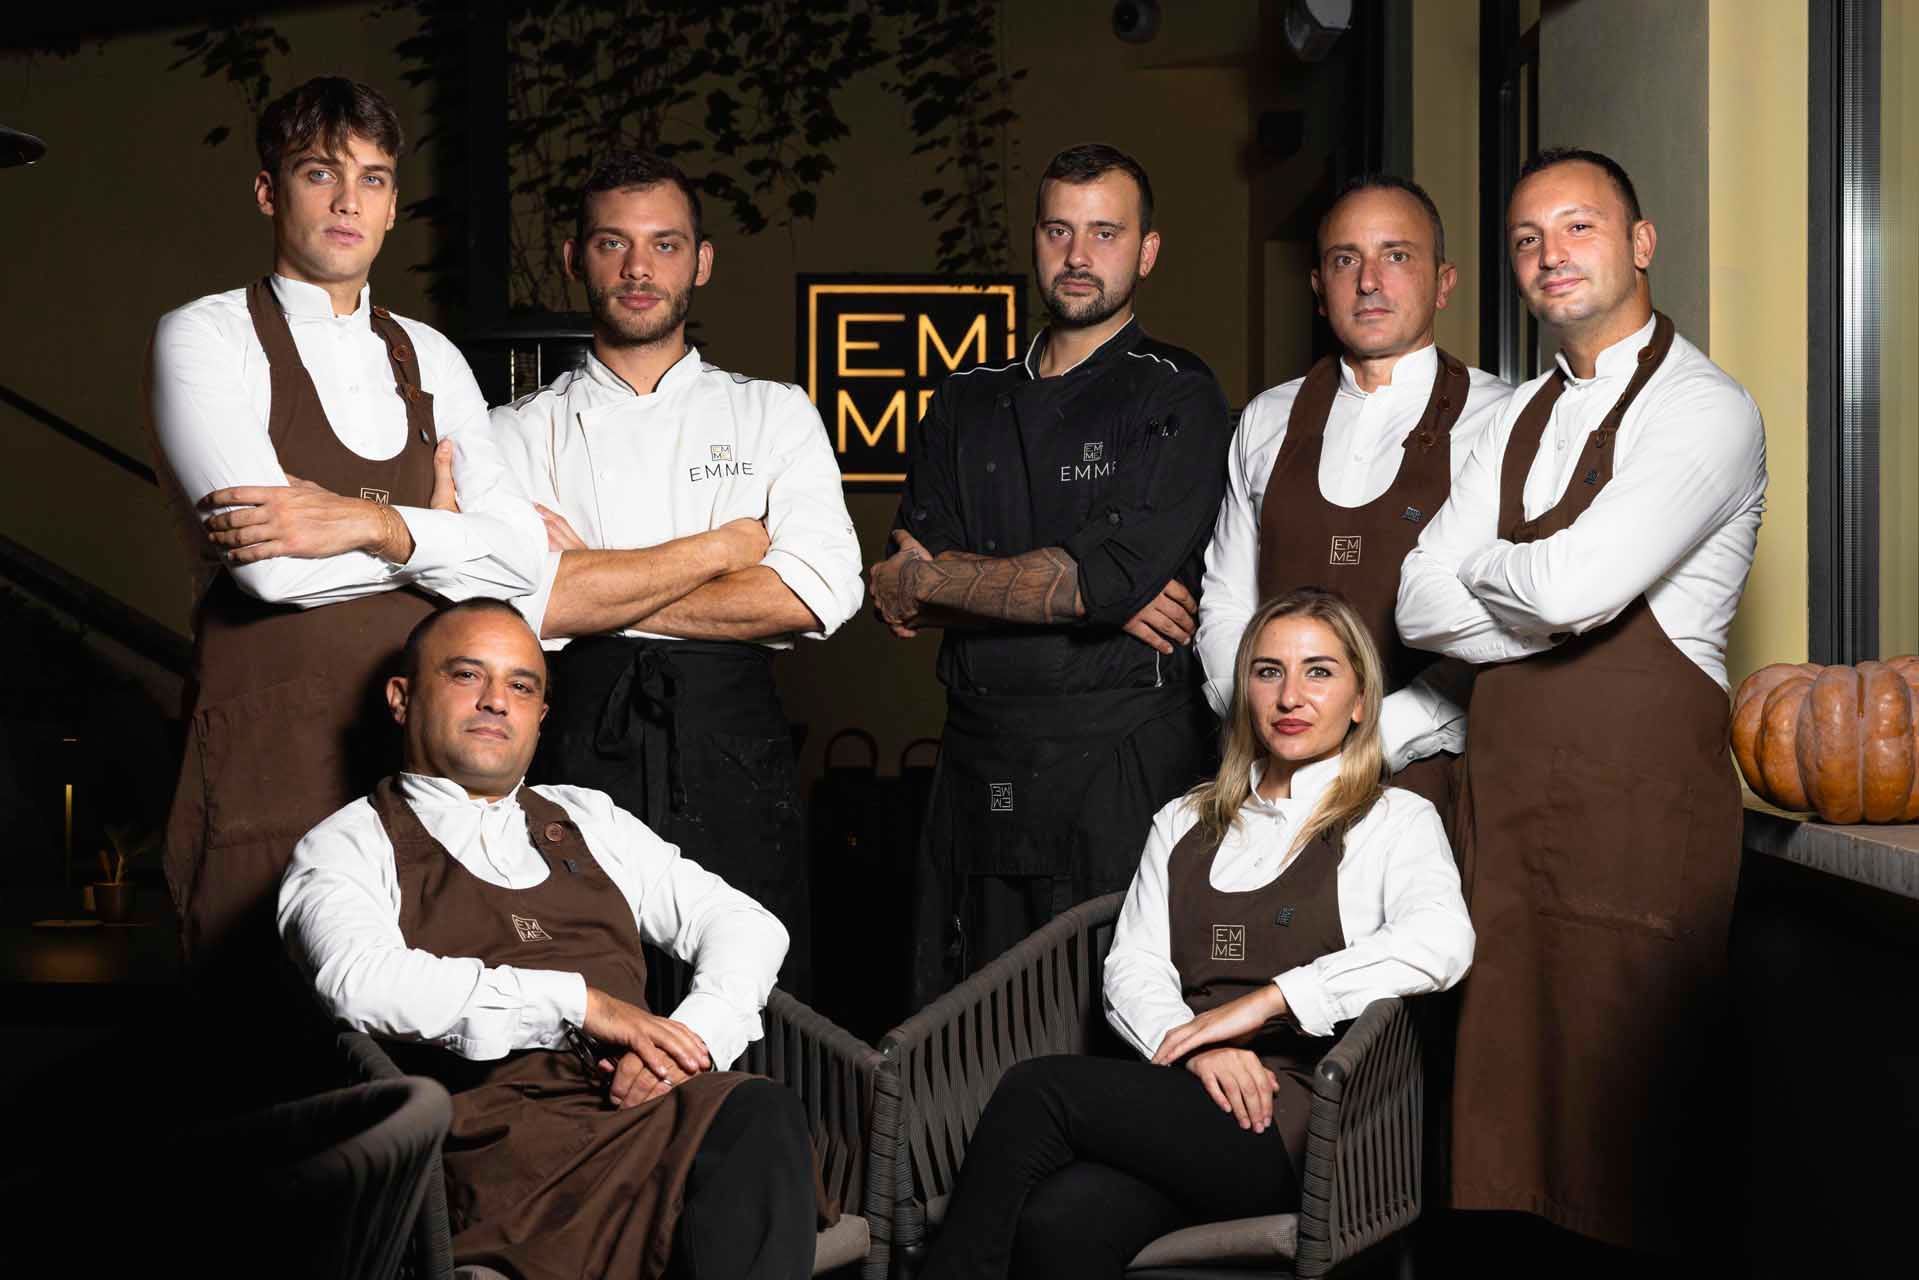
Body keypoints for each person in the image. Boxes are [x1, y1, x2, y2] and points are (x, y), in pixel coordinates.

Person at [1396, 147, 1767, 1265]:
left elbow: (1577, 588)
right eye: (1525, 239)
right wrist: (1540, 589)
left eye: (1577, 228)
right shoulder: (1510, 419)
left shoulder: (1706, 411)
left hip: (1635, 841)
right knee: (1499, 1177)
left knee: (1630, 1170)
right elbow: (1416, 598)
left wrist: (1506, 572)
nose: (1549, 255)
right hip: (1504, 840)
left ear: (1640, 243)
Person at [919, 588, 1474, 1279]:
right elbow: (1133, 967)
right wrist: (1191, 1048)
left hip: (1305, 1124)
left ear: (1361, 701)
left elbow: (1440, 943)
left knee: (1038, 1090)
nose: (1290, 696)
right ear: (1244, 691)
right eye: (1267, 671)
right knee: (1059, 1222)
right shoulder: (1184, 821)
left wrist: (1262, 1003)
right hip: (1186, 1103)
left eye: (1319, 672)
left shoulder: (1390, 820)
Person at [148, 76, 544, 1027]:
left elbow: (525, 569)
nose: (345, 202)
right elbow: (273, 569)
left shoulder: (428, 357)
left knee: (432, 1023)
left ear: (393, 205)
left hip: (418, 755)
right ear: (267, 191)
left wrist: (369, 523)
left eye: (370, 180)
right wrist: (447, 540)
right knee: (263, 1042)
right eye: (319, 173)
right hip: (268, 748)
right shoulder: (204, 337)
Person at [279, 598, 820, 1280]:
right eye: (466, 676)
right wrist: (580, 1003)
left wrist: (688, 1045)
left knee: (753, 1113)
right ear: (402, 697)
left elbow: (744, 924)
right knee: (751, 1157)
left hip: (644, 1123)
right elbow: (359, 981)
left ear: (541, 713)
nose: (496, 702)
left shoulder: (589, 819)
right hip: (496, 1164)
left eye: (521, 685)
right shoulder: (347, 844)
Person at [483, 151, 863, 998]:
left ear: (701, 260)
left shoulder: (773, 412)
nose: (638, 268)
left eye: (664, 244)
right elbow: (527, 604)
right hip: (579, 735)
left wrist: (592, 584)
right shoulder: (511, 433)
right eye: (613, 244)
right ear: (577, 257)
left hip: (733, 749)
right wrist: (728, 548)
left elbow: (817, 592)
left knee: (752, 991)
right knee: (585, 986)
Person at [870, 143, 1234, 1001]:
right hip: (978, 750)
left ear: (1145, 252)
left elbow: (1099, 576)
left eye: (1105, 233)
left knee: (1114, 1006)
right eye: (1059, 230)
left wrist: (948, 582)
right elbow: (895, 586)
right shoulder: (965, 399)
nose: (1079, 256)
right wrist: (1084, 592)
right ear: (1034, 241)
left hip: (1121, 758)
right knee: (969, 1013)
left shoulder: (1175, 391)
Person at [1197, 175, 1511, 841]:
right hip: (1271, 785)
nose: (1368, 281)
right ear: (1317, 286)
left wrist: (1374, 741)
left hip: (1435, 783)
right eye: (1345, 259)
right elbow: (1226, 601)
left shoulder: (1503, 420)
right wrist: (1265, 728)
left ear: (1443, 280)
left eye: (1396, 255)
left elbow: (1512, 624)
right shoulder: (1265, 419)